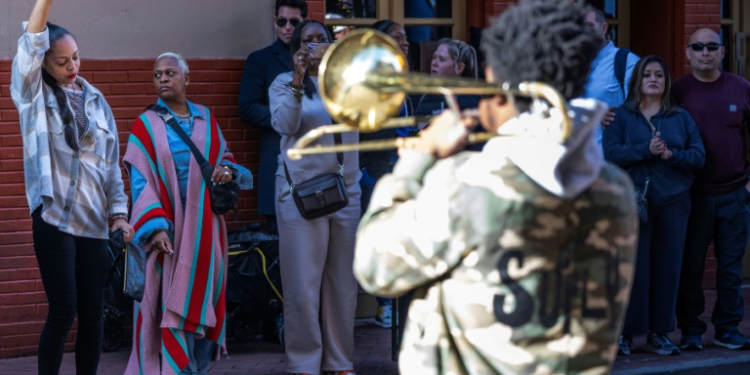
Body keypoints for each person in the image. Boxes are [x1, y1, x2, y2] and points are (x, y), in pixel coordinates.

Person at [354, 1, 638, 374]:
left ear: (494, 78)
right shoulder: (615, 189)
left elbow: (375, 267)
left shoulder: (466, 181)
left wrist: (415, 163)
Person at [10, 0, 135, 373]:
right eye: (62, 62)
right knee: (63, 310)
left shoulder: (97, 101)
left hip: (95, 221)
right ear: (45, 65)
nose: (72, 67)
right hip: (54, 217)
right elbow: (31, 40)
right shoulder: (34, 95)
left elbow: (110, 164)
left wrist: (119, 213)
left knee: (93, 314)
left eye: (76, 58)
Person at [123, 53, 253, 375]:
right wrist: (154, 230)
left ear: (186, 78)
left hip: (206, 232)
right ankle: (175, 370)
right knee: (168, 301)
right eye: (157, 75)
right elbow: (140, 182)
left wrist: (226, 169)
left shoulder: (206, 119)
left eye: (169, 73)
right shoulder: (146, 124)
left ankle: (200, 369)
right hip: (167, 231)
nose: (163, 79)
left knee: (205, 295)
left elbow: (225, 157)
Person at [269, 20, 360, 375]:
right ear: (297, 49)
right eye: (307, 41)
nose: (315, 45)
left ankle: (340, 362)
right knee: (302, 285)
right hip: (301, 194)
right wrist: (297, 79)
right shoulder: (282, 83)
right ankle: (304, 364)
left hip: (346, 192)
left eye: (322, 39)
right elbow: (285, 125)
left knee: (342, 284)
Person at [603, 55, 705, 356]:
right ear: (637, 80)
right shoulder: (621, 115)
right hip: (633, 204)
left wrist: (671, 155)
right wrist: (645, 150)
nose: (653, 79)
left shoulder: (680, 117)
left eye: (659, 75)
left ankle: (659, 333)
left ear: (666, 82)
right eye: (647, 74)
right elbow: (611, 152)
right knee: (634, 270)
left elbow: (698, 156)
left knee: (668, 269)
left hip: (674, 203)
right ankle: (625, 334)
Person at [673, 27, 750, 351]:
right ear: (688, 53)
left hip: (734, 194)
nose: (705, 52)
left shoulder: (741, 87)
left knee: (730, 269)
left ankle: (727, 329)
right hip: (692, 195)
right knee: (690, 267)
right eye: (698, 47)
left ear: (721, 51)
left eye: (711, 46)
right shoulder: (677, 90)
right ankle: (691, 329)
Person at [359, 18, 413, 330]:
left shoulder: (401, 73)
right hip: (375, 170)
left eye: (405, 37)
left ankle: (397, 302)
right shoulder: (371, 79)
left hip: (399, 167)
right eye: (398, 37)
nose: (405, 42)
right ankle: (383, 306)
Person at [239, 0, 307, 234]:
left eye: (294, 22)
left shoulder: (319, 63)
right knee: (279, 248)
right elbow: (247, 107)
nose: (288, 27)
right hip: (278, 159)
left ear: (303, 23)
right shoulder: (261, 60)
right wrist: (286, 119)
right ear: (274, 23)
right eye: (282, 21)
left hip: (315, 167)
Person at [583, 5, 640, 142]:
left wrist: (614, 117)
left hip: (610, 157)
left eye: (589, 26)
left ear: (603, 28)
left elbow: (643, 111)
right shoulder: (572, 65)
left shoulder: (626, 62)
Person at [413, 38, 481, 117]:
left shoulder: (469, 101)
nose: (434, 63)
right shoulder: (422, 93)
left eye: (442, 59)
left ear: (459, 68)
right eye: (434, 57)